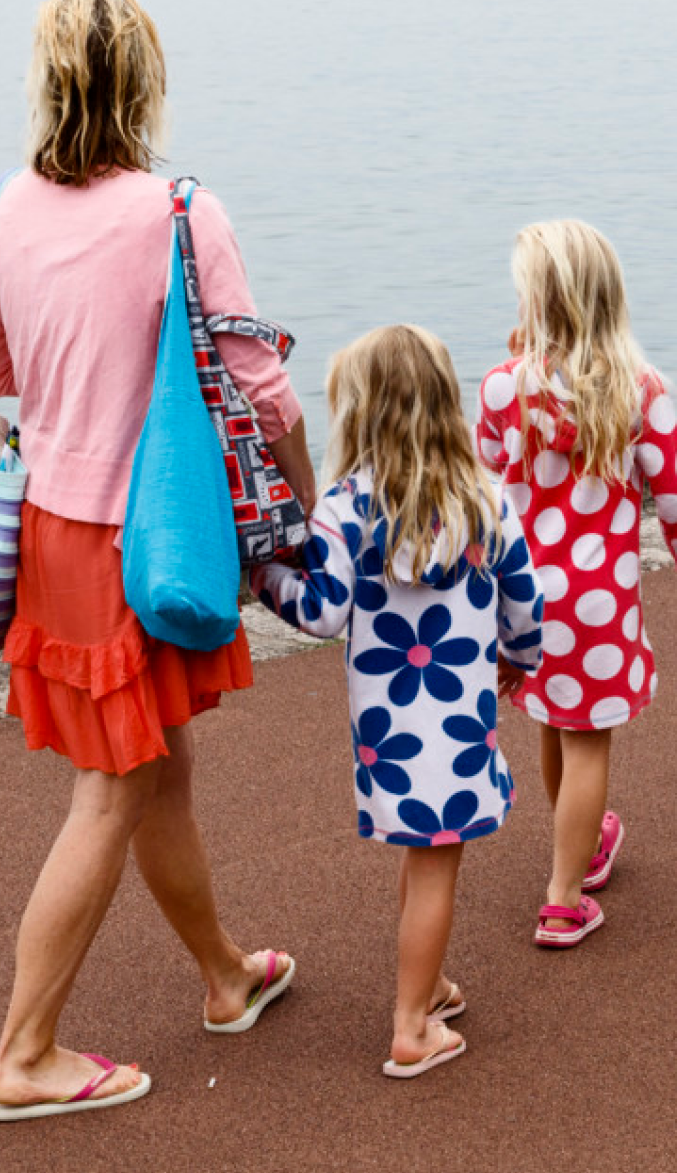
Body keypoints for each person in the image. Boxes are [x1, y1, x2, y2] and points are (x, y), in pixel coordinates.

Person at [0, 0, 319, 1119]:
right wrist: (305, 515)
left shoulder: (3, 208)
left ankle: (225, 977)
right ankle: (24, 1054)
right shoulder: (182, 212)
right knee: (111, 792)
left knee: (159, 766)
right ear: (143, 82)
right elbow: (263, 391)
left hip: (55, 530)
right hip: (153, 530)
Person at [256, 325, 542, 1076]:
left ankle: (430, 988)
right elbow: (526, 598)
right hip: (462, 716)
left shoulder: (348, 508)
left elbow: (320, 613)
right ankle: (411, 1027)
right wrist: (521, 658)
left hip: (389, 727)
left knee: (422, 861)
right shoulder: (485, 497)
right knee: (436, 868)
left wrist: (264, 581)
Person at [476, 219, 677, 949]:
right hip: (598, 604)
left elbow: (484, 483)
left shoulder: (499, 389)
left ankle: (577, 847)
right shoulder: (640, 393)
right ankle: (562, 897)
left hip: (522, 599)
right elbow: (676, 491)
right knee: (586, 744)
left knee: (553, 722)